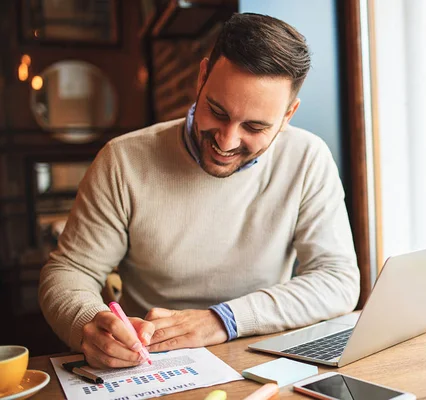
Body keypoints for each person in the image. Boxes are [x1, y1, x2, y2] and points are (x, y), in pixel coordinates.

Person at [39, 13, 359, 369]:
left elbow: (338, 280)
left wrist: (222, 320)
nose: (226, 140)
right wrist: (86, 324)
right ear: (202, 77)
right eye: (217, 111)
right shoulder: (123, 160)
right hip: (152, 363)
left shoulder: (307, 159)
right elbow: (69, 271)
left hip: (263, 359)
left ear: (288, 115)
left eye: (254, 126)